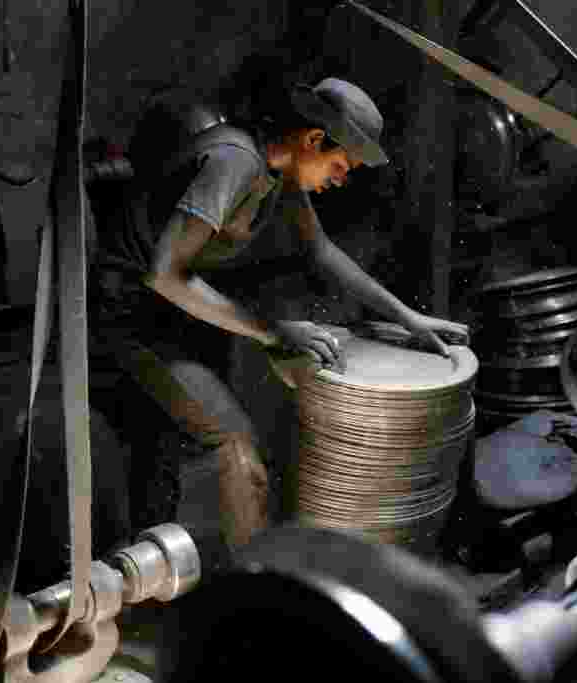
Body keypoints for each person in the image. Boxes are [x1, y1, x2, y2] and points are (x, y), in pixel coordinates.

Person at [89, 76, 469, 554]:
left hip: (170, 317)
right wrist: (272, 333)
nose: (340, 178)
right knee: (235, 449)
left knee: (160, 453)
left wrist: (408, 316)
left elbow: (322, 252)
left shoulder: (279, 171)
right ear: (313, 139)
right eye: (339, 164)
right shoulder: (235, 161)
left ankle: (156, 580)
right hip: (122, 319)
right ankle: (260, 592)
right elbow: (166, 275)